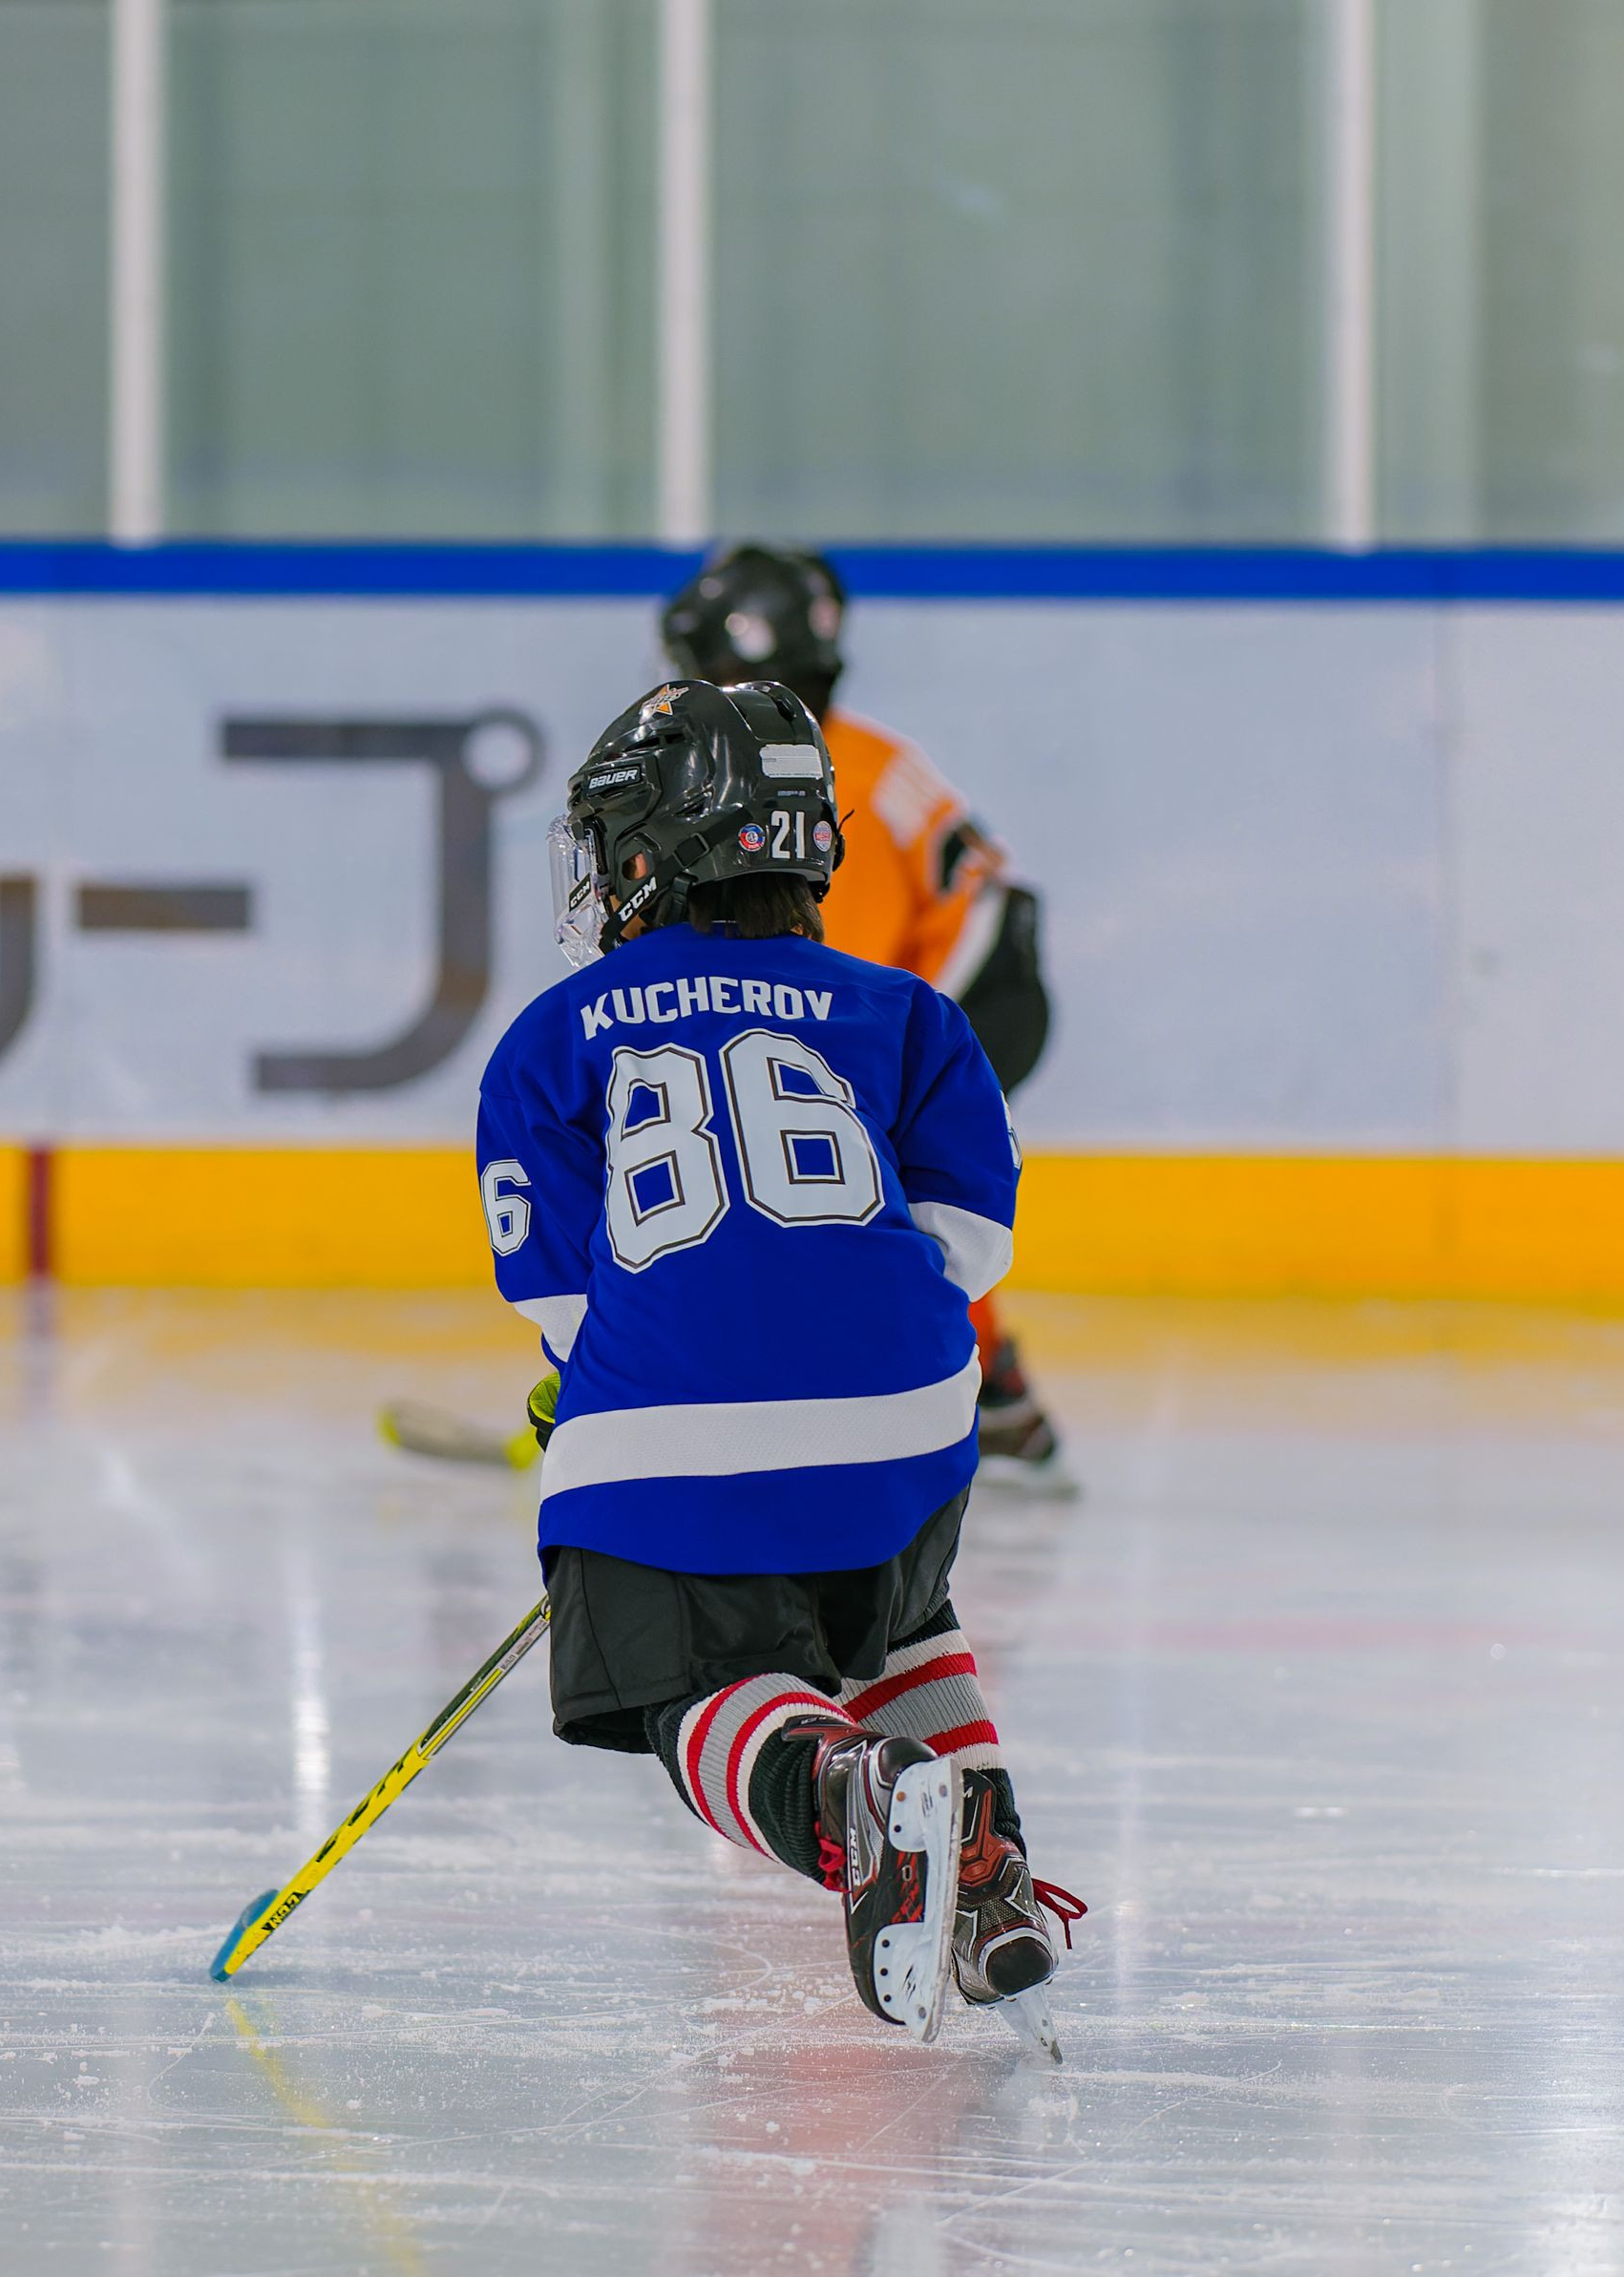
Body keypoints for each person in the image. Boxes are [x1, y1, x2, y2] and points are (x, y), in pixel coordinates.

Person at [476, 677, 1081, 2048]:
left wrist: (595, 1389)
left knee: (684, 1686)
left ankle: (846, 1795)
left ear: (654, 846)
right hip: (911, 1424)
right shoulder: (909, 1014)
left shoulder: (551, 1036)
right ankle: (987, 1877)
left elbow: (564, 1296)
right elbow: (971, 1242)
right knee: (893, 1617)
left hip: (672, 1429)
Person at [659, 545, 1068, 1490]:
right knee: (879, 1181)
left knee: (851, 1170)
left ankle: (968, 1394)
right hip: (982, 981)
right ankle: (987, 1397)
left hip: (975, 988)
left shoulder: (809, 775)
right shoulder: (830, 753)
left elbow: (835, 979)